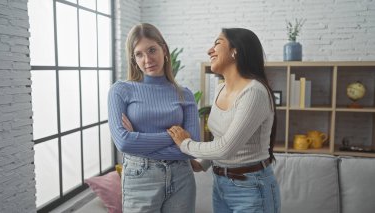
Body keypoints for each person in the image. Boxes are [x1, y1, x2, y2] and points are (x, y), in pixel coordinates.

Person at [167, 28, 281, 213]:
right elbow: (219, 137)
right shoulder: (220, 89)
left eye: (217, 43)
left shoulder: (254, 92)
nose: (209, 50)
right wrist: (202, 163)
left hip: (251, 188)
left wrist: (185, 143)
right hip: (221, 184)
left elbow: (226, 147)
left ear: (235, 50)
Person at [108, 23, 200, 213]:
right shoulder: (121, 91)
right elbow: (124, 143)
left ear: (164, 50)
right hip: (139, 179)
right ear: (133, 59)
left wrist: (139, 140)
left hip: (181, 178)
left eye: (152, 50)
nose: (147, 59)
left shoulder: (185, 94)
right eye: (139, 54)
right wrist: (176, 136)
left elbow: (192, 148)